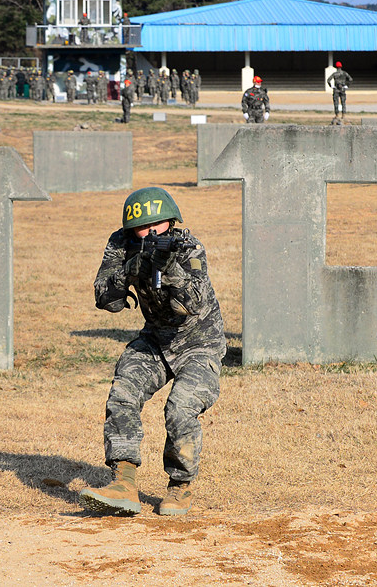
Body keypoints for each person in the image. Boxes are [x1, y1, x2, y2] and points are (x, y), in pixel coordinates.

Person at [79, 187, 225, 516]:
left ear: (170, 223)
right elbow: (107, 300)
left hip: (199, 344)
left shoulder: (188, 248)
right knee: (123, 393)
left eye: (157, 226)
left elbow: (188, 306)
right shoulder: (120, 243)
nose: (150, 233)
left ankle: (180, 487)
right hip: (155, 341)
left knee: (181, 408)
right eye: (142, 228)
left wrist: (166, 268)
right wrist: (132, 270)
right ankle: (124, 482)